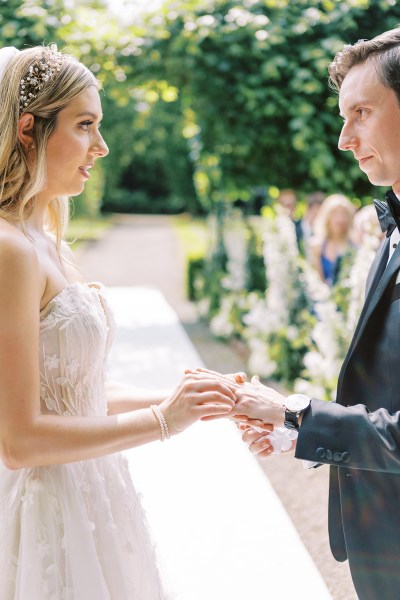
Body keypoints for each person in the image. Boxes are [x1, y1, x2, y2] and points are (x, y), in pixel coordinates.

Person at [0, 44, 237, 600]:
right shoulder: (8, 251)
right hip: (45, 512)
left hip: (94, 494)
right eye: (85, 126)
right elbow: (18, 439)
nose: (101, 147)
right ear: (29, 129)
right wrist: (161, 420)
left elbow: (72, 391)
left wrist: (188, 397)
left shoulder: (45, 239)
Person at [223, 26, 400, 600]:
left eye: (362, 113)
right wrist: (297, 433)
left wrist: (298, 412)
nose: (344, 139)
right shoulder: (388, 230)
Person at [310, 193, 356, 286]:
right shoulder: (317, 246)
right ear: (327, 217)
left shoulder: (354, 245)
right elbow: (316, 282)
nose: (340, 219)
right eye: (336, 214)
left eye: (344, 214)